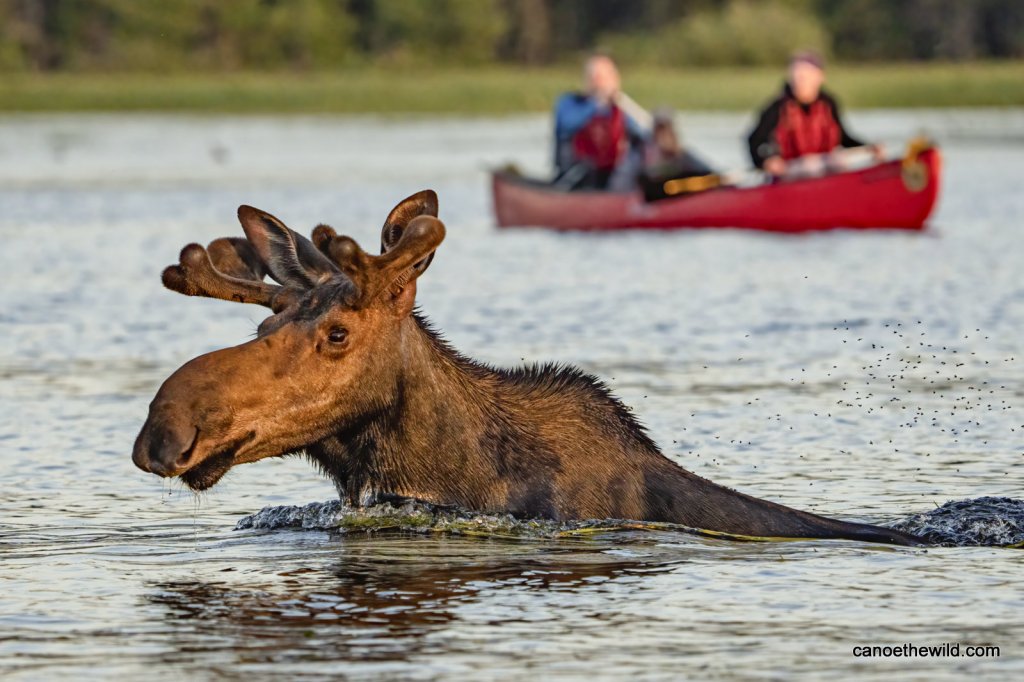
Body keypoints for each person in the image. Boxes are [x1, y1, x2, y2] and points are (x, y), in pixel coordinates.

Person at [747, 51, 882, 178]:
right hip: (792, 170)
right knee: (813, 166)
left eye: (804, 77)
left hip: (825, 166)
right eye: (796, 76)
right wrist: (765, 162)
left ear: (819, 77)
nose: (799, 81)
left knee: (839, 160)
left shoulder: (828, 104)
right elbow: (754, 140)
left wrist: (868, 148)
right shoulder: (777, 108)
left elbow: (843, 138)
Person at [553, 54, 646, 190]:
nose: (599, 82)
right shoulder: (570, 103)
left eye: (606, 78)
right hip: (575, 179)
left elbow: (643, 134)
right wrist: (595, 104)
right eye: (597, 78)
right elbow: (567, 126)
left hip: (611, 180)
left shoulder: (620, 108)